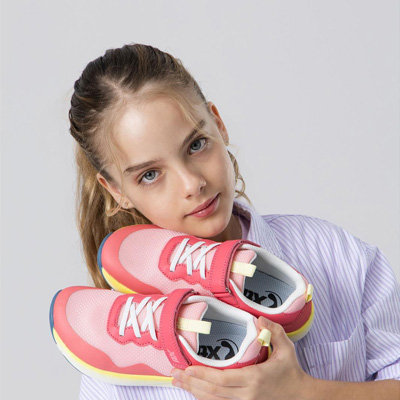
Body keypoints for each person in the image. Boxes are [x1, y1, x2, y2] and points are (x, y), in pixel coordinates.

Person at [68, 43, 400, 400]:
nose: (191, 184)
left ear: (219, 124)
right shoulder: (114, 361)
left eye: (196, 145)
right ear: (116, 190)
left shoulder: (335, 255)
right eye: (150, 175)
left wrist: (304, 393)